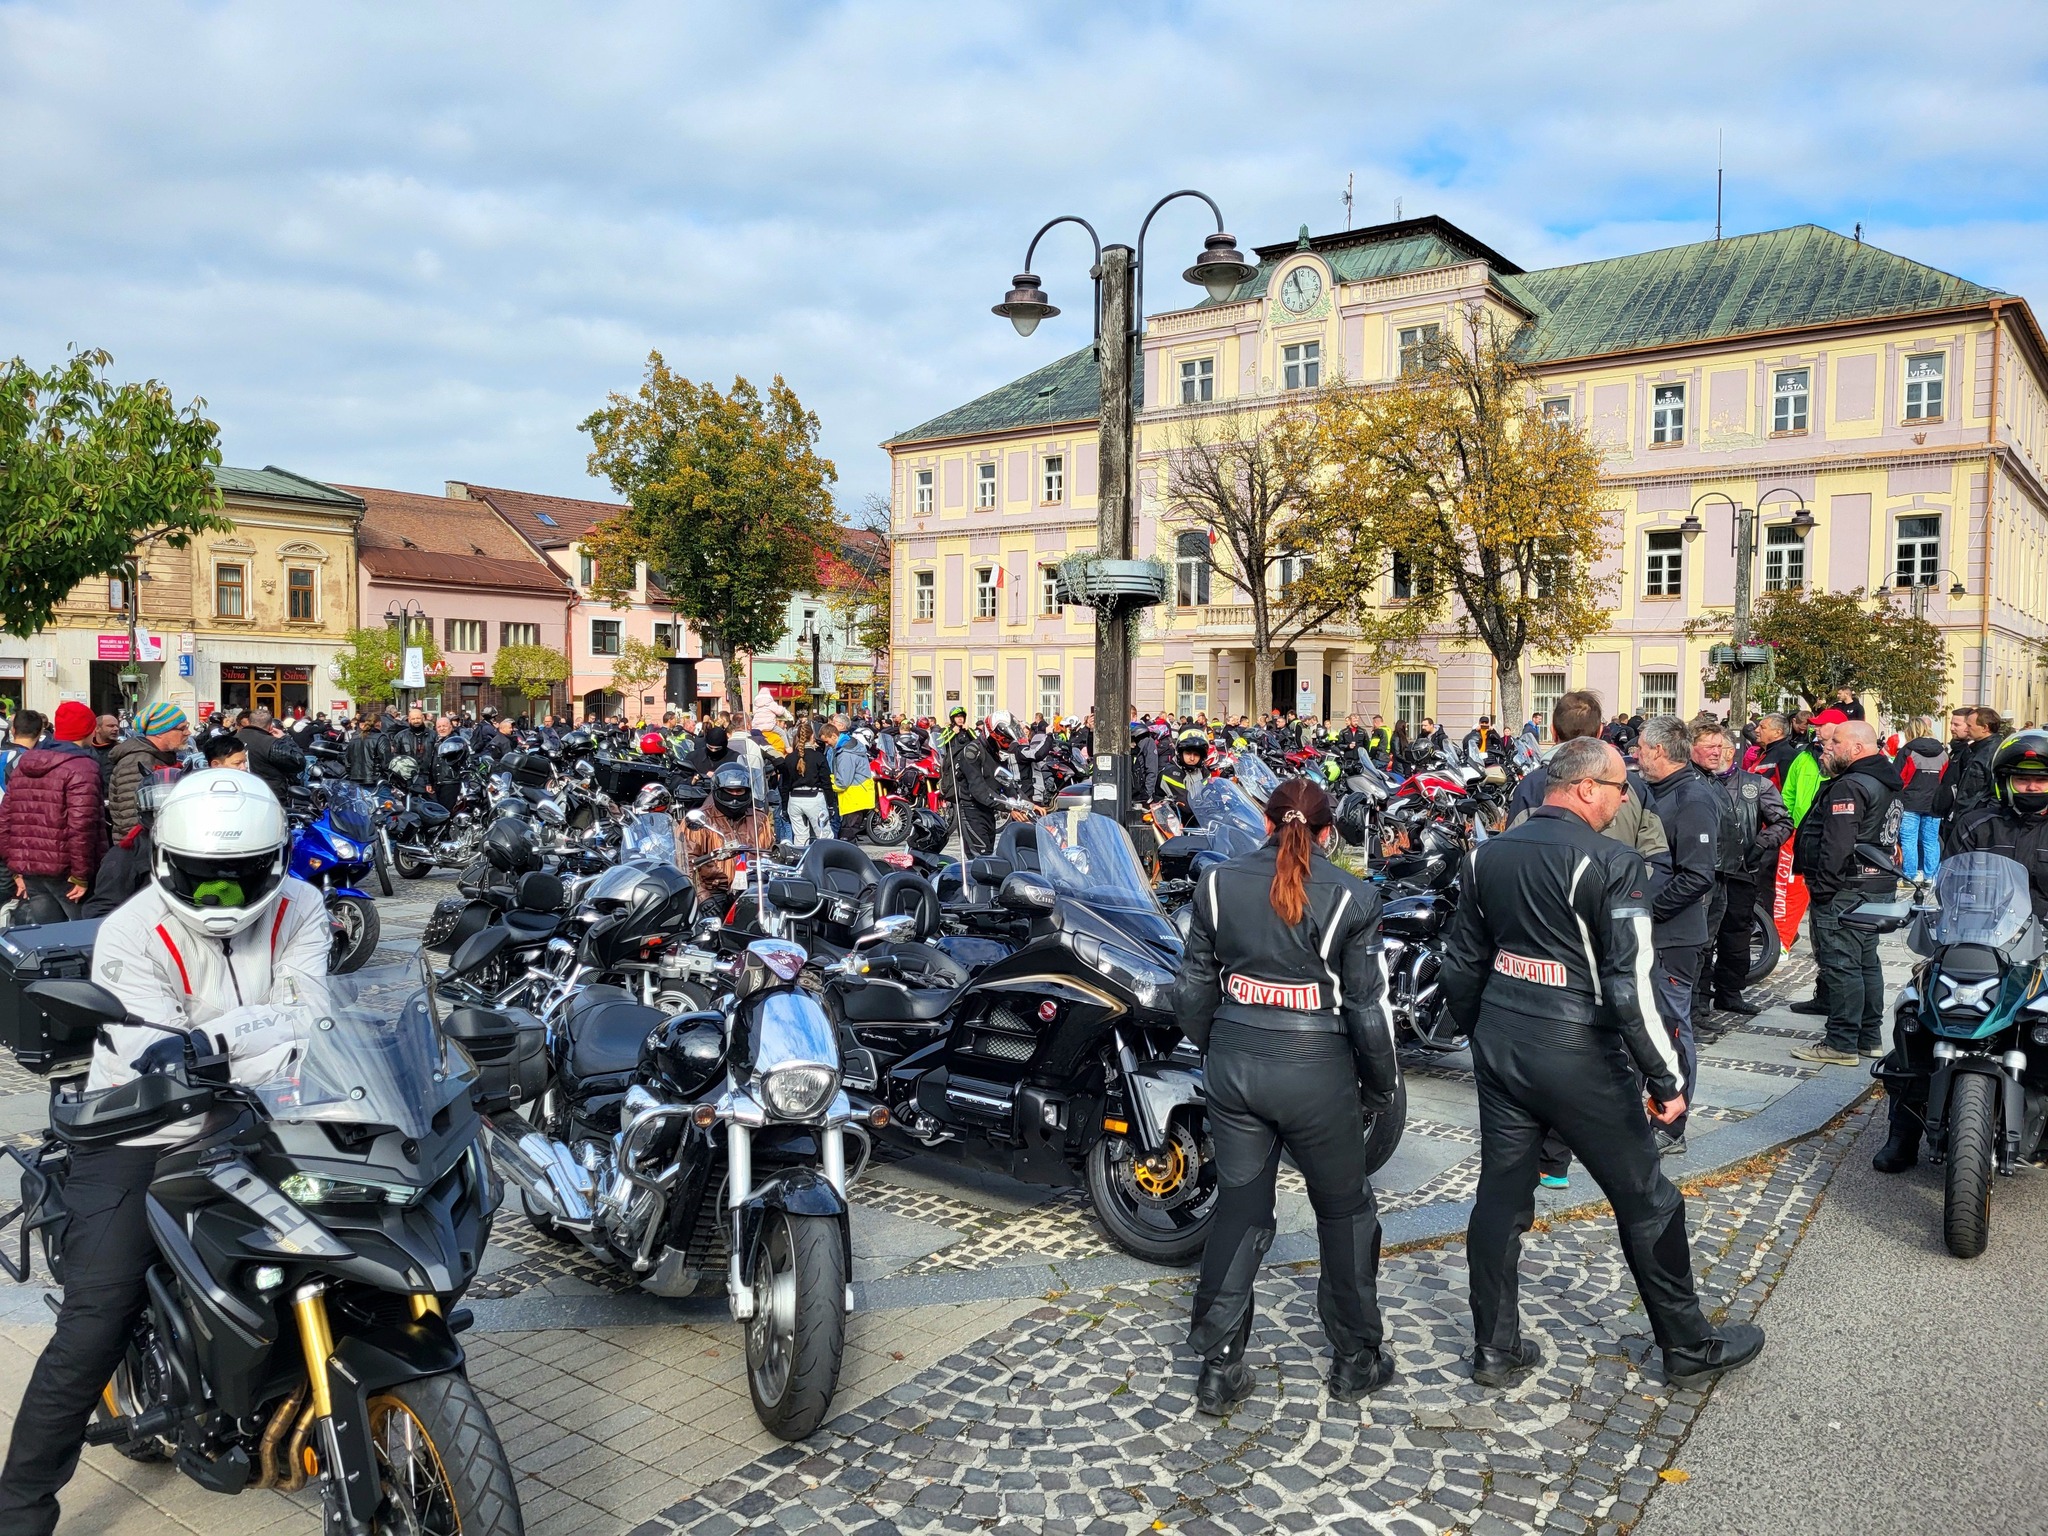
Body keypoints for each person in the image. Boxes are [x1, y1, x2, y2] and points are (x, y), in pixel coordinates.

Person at [0, 769, 328, 1536]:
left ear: (276, 861)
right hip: (141, 1128)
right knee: (95, 1318)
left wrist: (218, 1039)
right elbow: (161, 1056)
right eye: (202, 879)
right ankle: (19, 1508)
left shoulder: (305, 906)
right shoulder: (129, 930)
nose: (222, 897)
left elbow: (314, 1013)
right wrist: (260, 1034)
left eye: (242, 878)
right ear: (165, 860)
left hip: (267, 1113)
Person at [1438, 736, 1764, 1392]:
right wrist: (1666, 1077)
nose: (1625, 799)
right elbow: (1630, 984)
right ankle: (1688, 1345)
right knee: (1647, 1196)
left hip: (1505, 1044)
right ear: (1587, 787)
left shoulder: (1486, 855)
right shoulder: (1613, 862)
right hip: (1578, 1052)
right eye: (1620, 789)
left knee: (1501, 1199)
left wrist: (1486, 1036)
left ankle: (1494, 1350)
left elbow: (1461, 963)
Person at [1175, 779, 1399, 1413]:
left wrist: (1215, 1045)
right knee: (1346, 1212)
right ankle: (1356, 1358)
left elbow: (1191, 990)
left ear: (1265, 823)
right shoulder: (1354, 895)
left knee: (1240, 1212)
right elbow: (1367, 1009)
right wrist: (1380, 1088)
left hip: (1238, 1062)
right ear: (1328, 832)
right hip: (1318, 1073)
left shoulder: (1217, 883)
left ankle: (1220, 1367)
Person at [1878, 731, 2048, 1171]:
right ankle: (1903, 1131)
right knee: (1916, 1018)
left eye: (2041, 779)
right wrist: (1928, 913)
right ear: (2004, 781)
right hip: (1978, 940)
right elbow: (1948, 885)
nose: (2031, 787)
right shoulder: (1976, 822)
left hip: (2041, 946)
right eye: (2022, 779)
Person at [1791, 720, 1902, 1066]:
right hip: (1874, 884)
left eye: (1835, 742)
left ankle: (1841, 1041)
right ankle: (1868, 1037)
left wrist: (1824, 887)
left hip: (1848, 888)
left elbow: (1838, 843)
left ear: (1856, 748)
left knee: (1842, 963)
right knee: (1866, 961)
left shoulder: (1852, 785)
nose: (1828, 748)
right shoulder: (1885, 780)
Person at [1635, 716, 1720, 1154]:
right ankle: (1646, 1112)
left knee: (1670, 1029)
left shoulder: (1692, 798)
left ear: (1660, 751)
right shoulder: (1655, 790)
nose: (1635, 754)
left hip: (1673, 937)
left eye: (1640, 748)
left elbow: (1698, 876)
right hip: (1649, 934)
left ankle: (1672, 1125)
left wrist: (1647, 914)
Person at [1691, 725, 1790, 1018]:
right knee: (1702, 937)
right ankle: (1698, 998)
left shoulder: (1756, 785)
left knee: (1736, 935)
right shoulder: (1693, 783)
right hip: (1705, 872)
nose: (1715, 753)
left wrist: (1761, 844)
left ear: (1730, 751)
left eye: (1719, 747)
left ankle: (1730, 992)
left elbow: (1783, 822)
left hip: (1742, 870)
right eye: (1709, 747)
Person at [0, 701, 107, 921]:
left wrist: (16, 869)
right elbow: (81, 826)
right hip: (66, 871)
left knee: (50, 940)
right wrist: (80, 874)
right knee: (84, 937)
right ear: (88, 730)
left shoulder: (25, 762)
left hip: (30, 867)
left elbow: (6, 819)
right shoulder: (82, 767)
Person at [685, 761, 775, 903]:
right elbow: (685, 862)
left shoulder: (760, 819)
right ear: (718, 790)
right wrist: (702, 897)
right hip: (714, 891)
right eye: (730, 790)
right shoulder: (701, 819)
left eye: (739, 790)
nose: (735, 795)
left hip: (752, 889)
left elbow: (770, 856)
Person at [106, 701, 189, 842]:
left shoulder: (162, 757)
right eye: (182, 728)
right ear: (160, 733)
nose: (188, 732)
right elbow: (132, 818)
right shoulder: (138, 762)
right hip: (144, 851)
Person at [1892, 716, 1948, 884]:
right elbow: (1945, 778)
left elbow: (1898, 778)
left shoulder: (1908, 751)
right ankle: (1931, 876)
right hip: (1935, 802)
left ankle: (1910, 876)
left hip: (1910, 802)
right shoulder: (1943, 751)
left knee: (1909, 840)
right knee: (1931, 840)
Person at [237, 707, 304, 807]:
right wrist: (285, 738)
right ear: (270, 726)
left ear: (250, 722)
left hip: (239, 794)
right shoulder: (271, 743)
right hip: (270, 798)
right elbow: (299, 762)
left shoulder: (231, 739)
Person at [781, 719, 834, 846]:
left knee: (800, 838)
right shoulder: (818, 757)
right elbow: (826, 782)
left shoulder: (789, 758)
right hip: (814, 798)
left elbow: (784, 785)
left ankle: (801, 863)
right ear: (812, 737)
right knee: (824, 836)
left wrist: (784, 807)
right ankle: (824, 862)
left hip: (794, 800)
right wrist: (831, 804)